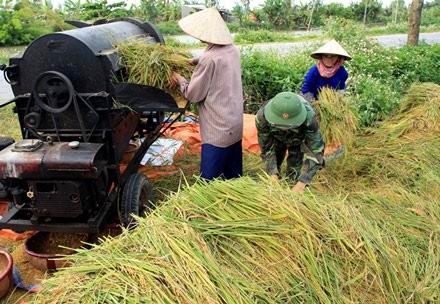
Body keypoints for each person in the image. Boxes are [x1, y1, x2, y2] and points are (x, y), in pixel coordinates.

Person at [171, 8, 244, 180]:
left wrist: (180, 79)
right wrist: (196, 60)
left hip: (217, 130)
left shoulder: (209, 59)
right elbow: (218, 59)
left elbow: (193, 94)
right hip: (234, 122)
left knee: (208, 181)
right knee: (233, 178)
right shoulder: (233, 49)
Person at [255, 92, 325, 193]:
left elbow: (315, 151)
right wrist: (272, 174)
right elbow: (266, 148)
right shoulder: (262, 116)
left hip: (298, 139)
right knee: (274, 166)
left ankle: (292, 182)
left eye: (288, 126)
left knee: (294, 170)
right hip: (276, 138)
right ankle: (275, 177)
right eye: (281, 125)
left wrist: (302, 183)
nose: (284, 129)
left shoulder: (310, 118)